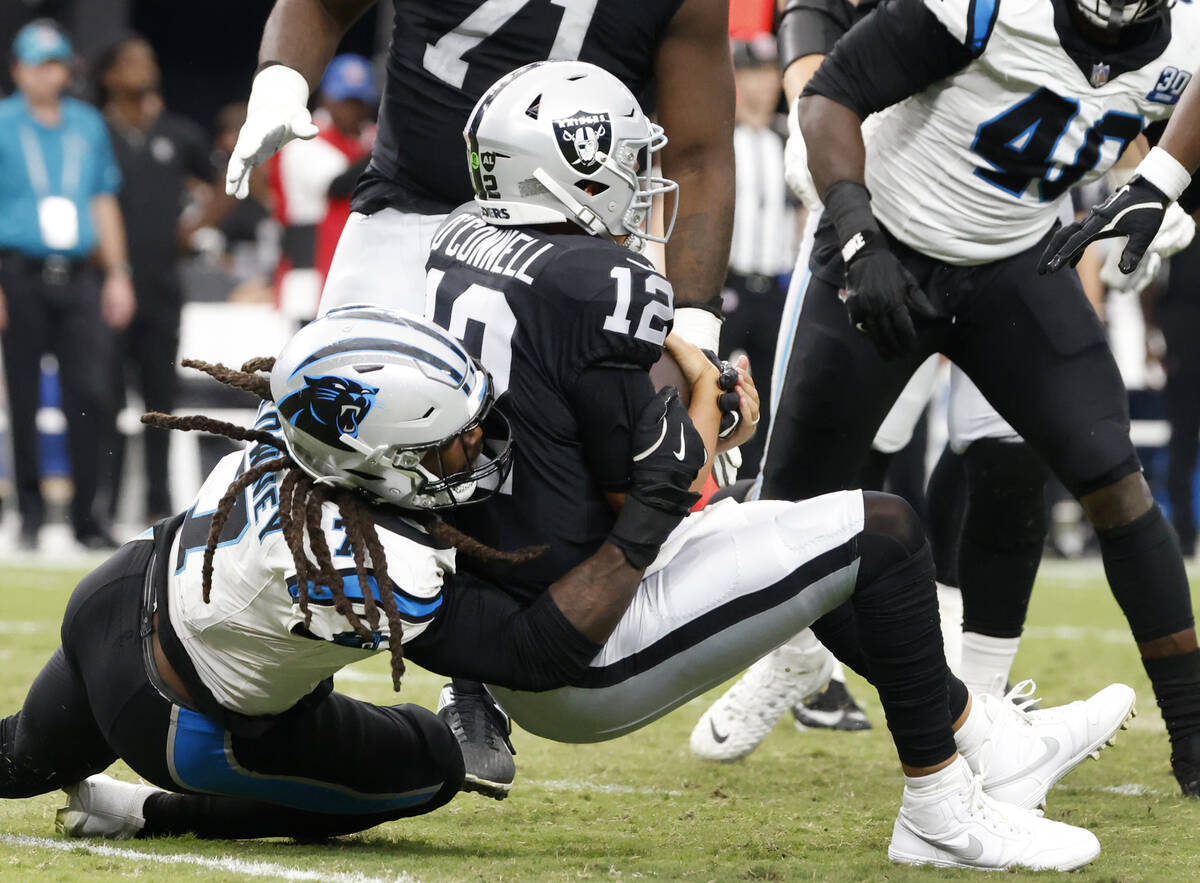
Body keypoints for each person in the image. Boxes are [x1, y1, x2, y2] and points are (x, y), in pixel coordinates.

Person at [416, 60, 1133, 870]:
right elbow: (652, 496)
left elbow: (562, 422)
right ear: (565, 163)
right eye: (620, 158)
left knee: (795, 534)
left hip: (512, 608)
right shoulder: (598, 280)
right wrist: (713, 418)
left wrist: (686, 383)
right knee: (883, 530)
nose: (638, 179)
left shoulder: (459, 243)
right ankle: (938, 808)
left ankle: (997, 746)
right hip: (585, 633)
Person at [222, 0, 739, 796]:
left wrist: (694, 321)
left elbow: (700, 149)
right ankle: (240, 670)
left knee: (546, 488)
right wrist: (281, 81)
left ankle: (473, 682)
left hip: (570, 244)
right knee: (315, 465)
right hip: (409, 216)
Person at [6, 307, 698, 841]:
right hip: (182, 719)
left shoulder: (304, 421)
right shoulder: (363, 561)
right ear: (383, 459)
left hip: (119, 595)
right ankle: (153, 811)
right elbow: (537, 651)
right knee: (431, 765)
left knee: (14, 759)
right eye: (453, 442)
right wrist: (650, 511)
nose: (476, 445)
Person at [748, 0, 1200, 799]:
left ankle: (1194, 736)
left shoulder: (1185, 33)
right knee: (784, 527)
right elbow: (831, 92)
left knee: (1112, 474)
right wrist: (855, 232)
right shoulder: (992, 5)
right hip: (886, 253)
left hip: (1011, 260)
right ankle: (964, 723)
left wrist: (1162, 180)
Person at [0, 19, 135, 551]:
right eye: (39, 65)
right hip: (18, 272)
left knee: (91, 393)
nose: (49, 75)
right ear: (18, 70)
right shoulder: (4, 122)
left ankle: (87, 515)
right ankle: (31, 511)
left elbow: (103, 200)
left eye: (57, 64)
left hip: (79, 274)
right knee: (24, 394)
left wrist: (118, 274)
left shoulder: (86, 124)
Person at [95, 34, 217, 523]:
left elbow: (223, 184)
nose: (143, 67)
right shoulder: (93, 132)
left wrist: (195, 227)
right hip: (105, 286)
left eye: (148, 58)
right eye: (130, 61)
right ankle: (101, 505)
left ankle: (158, 505)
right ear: (108, 76)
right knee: (102, 397)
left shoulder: (178, 133)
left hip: (163, 285)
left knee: (160, 402)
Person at [268, 53, 375, 324]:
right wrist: (383, 147)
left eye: (359, 103)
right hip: (309, 270)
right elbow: (338, 185)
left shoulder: (362, 140)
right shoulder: (306, 137)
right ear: (327, 99)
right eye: (346, 102)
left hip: (351, 269)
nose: (353, 111)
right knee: (309, 359)